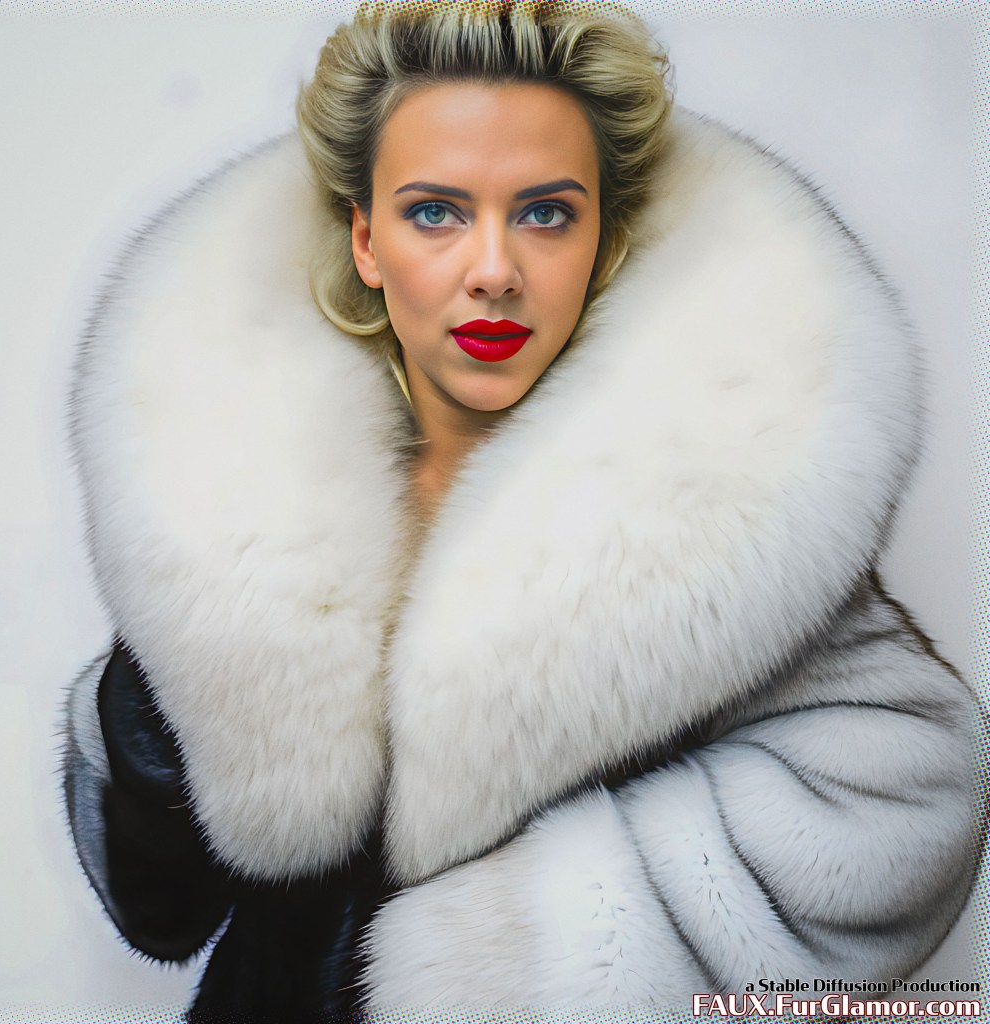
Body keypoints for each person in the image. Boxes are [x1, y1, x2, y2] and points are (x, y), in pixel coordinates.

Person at [61, 1, 982, 1020]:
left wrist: (527, 956)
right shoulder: (249, 491)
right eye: (435, 213)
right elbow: (161, 909)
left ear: (602, 240)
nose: (493, 270)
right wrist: (174, 702)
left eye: (545, 213)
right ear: (366, 241)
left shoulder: (700, 520)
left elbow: (908, 787)